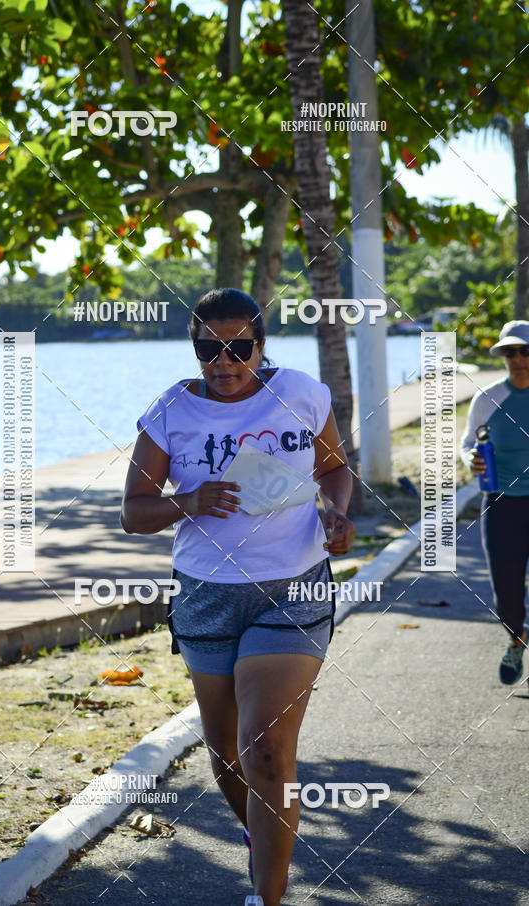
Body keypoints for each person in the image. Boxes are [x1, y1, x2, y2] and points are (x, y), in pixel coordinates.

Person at [121, 288, 355, 906]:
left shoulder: (300, 393)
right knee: (226, 753)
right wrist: (188, 501)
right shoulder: (171, 410)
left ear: (261, 344)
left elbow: (334, 468)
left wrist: (336, 512)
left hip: (294, 587)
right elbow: (133, 513)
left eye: (238, 348)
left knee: (266, 748)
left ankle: (265, 897)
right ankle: (264, 836)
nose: (223, 363)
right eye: (208, 349)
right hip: (207, 595)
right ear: (194, 347)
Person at [461, 320, 529, 685]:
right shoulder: (488, 399)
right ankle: (516, 640)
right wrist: (470, 459)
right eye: (510, 352)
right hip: (502, 503)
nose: (517, 359)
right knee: (506, 590)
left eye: (525, 351)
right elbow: (468, 443)